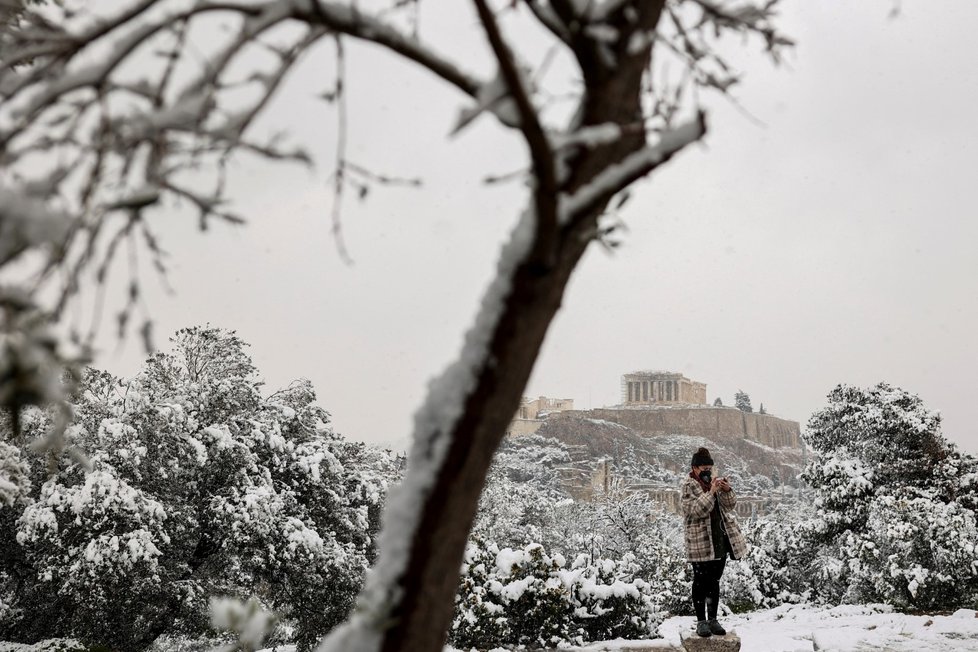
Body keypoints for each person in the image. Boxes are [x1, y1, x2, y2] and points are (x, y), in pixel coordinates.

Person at [680, 447, 749, 638]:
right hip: (700, 541)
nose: (707, 471)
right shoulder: (688, 485)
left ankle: (713, 619)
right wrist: (711, 492)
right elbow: (696, 510)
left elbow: (729, 505)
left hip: (719, 539)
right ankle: (701, 621)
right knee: (700, 581)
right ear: (694, 468)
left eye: (710, 467)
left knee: (714, 582)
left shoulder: (712, 483)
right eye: (703, 467)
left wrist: (726, 490)